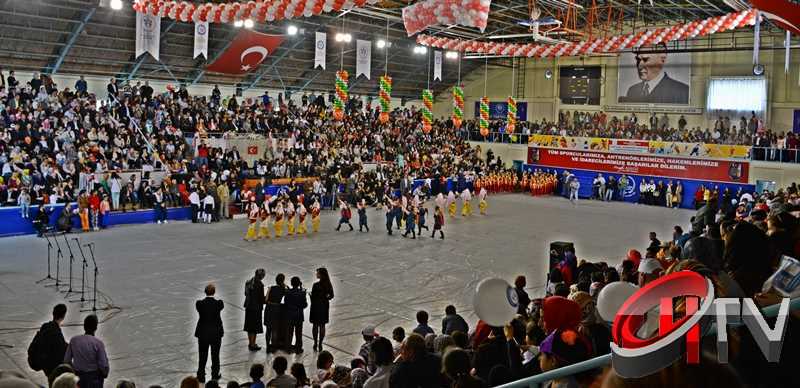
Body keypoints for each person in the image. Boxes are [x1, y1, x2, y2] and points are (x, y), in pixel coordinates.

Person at [622, 45, 689, 104]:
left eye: (645, 59)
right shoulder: (632, 90)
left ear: (662, 60)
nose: (639, 65)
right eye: (638, 60)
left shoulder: (682, 91)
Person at [63, 315, 109, 388]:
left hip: (78, 379)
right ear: (96, 328)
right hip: (94, 381)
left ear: (84, 327)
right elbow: (103, 366)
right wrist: (104, 373)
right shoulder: (98, 343)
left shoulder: (74, 340)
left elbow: (66, 360)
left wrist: (74, 372)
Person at [28, 304, 68, 380]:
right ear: (63, 316)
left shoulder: (45, 326)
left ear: (53, 313)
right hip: (50, 365)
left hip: (43, 362)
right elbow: (60, 352)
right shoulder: (57, 333)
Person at [195, 283, 224, 383]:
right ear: (214, 292)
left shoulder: (199, 304)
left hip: (203, 333)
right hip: (216, 333)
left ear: (205, 292)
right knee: (215, 355)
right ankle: (215, 375)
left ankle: (201, 375)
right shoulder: (219, 303)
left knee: (202, 355)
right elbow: (220, 307)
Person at [310, 267, 334, 352]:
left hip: (316, 307)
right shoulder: (328, 284)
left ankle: (315, 343)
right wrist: (326, 297)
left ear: (321, 275)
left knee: (315, 325)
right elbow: (331, 295)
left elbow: (313, 297)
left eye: (317, 273)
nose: (316, 274)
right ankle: (320, 343)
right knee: (322, 325)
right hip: (324, 307)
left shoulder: (316, 285)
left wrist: (310, 295)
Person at [244, 269, 266, 351]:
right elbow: (261, 299)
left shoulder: (249, 281)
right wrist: (267, 298)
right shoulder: (260, 284)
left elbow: (245, 293)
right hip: (256, 308)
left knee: (249, 326)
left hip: (248, 306)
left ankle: (250, 343)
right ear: (262, 276)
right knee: (254, 327)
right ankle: (253, 344)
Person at [265, 273, 288, 352]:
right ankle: (274, 347)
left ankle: (268, 346)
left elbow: (266, 300)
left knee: (268, 330)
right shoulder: (283, 289)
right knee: (275, 330)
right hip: (277, 310)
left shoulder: (271, 288)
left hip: (269, 309)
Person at [284, 276, 308, 353]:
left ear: (291, 283)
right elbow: (304, 305)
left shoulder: (287, 292)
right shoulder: (302, 293)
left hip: (289, 315)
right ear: (298, 284)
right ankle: (298, 348)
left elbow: (286, 303)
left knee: (289, 332)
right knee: (298, 333)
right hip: (299, 315)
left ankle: (288, 348)